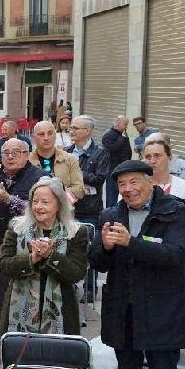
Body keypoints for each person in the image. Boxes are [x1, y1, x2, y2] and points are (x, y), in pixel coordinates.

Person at [89, 161, 185, 369]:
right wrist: (105, 247)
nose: (128, 190)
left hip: (161, 309)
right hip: (123, 307)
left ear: (150, 181)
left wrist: (131, 243)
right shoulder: (111, 215)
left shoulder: (174, 211)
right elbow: (97, 262)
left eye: (134, 182)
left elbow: (176, 255)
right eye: (122, 185)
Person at [0, 177, 89, 369]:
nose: (38, 207)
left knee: (55, 363)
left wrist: (51, 257)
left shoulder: (75, 232)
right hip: (21, 308)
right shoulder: (17, 228)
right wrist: (31, 259)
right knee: (22, 360)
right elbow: (3, 264)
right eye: (35, 201)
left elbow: (76, 272)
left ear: (59, 203)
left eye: (45, 202)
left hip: (60, 311)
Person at [0, 139, 44, 361]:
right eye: (6, 153)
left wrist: (7, 199)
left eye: (16, 152)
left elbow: (37, 210)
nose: (10, 156)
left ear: (27, 154)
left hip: (30, 249)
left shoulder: (39, 178)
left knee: (28, 297)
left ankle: (27, 344)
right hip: (0, 246)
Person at [66, 115, 109, 299]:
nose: (71, 131)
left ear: (87, 131)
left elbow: (99, 178)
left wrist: (76, 171)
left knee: (89, 248)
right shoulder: (66, 152)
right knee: (68, 247)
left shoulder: (100, 153)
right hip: (68, 208)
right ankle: (69, 285)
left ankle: (90, 288)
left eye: (75, 128)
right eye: (71, 128)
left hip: (90, 209)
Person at [29, 121, 85, 205]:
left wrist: (57, 196)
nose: (46, 138)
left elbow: (80, 189)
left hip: (64, 209)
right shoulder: (27, 161)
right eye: (41, 134)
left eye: (50, 133)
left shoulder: (70, 159)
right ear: (34, 138)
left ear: (55, 135)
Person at [142, 139, 185, 223]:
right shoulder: (135, 186)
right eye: (148, 157)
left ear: (169, 157)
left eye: (157, 156)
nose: (152, 161)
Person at [101, 116, 132, 208]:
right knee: (112, 194)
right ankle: (111, 211)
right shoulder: (108, 135)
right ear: (118, 123)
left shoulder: (123, 134)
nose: (126, 127)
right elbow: (111, 149)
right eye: (125, 124)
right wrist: (122, 139)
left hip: (124, 168)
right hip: (113, 169)